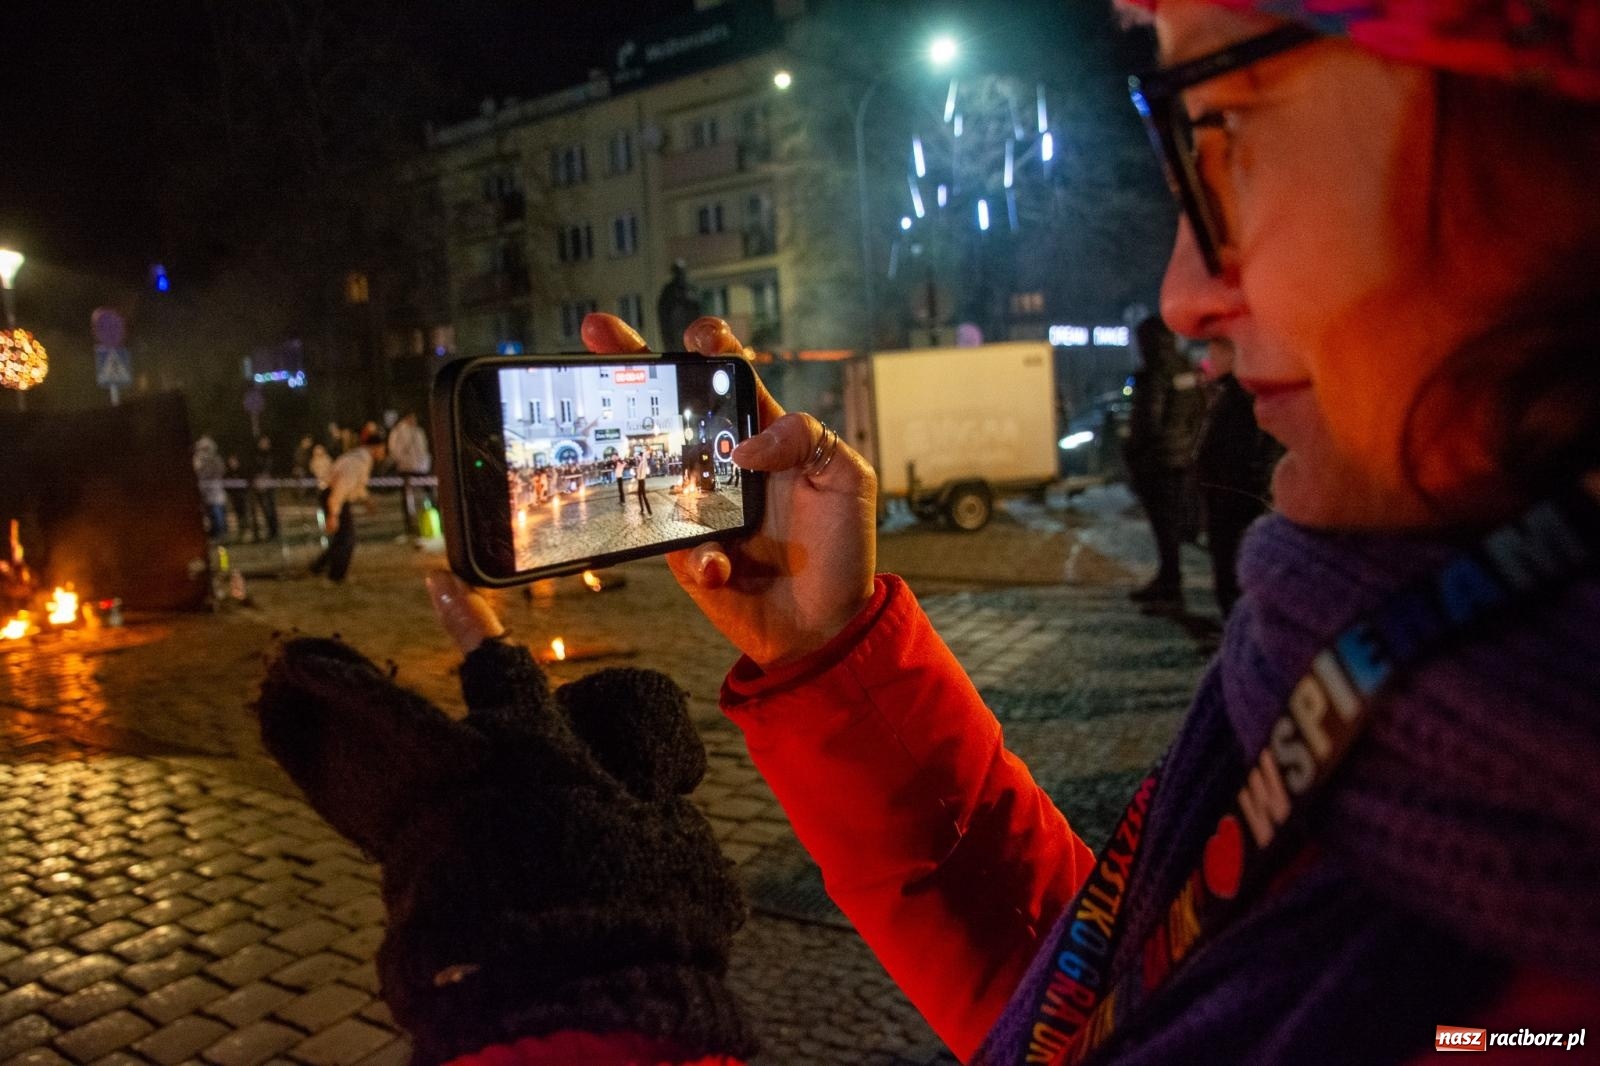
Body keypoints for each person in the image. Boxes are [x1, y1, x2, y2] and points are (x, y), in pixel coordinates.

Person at [256, 2, 1600, 1064]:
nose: (1186, 290)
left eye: (1225, 126)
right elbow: (1099, 995)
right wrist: (835, 660)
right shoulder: (1371, 682)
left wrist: (577, 1002)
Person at [1123, 315, 1205, 611]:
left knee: (1164, 527)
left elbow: (1149, 420)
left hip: (1157, 461)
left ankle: (1170, 587)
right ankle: (1168, 580)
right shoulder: (1186, 369)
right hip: (1180, 458)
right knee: (1171, 526)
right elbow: (1198, 411)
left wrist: (1134, 450)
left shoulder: (1155, 373)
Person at [1192, 341, 1277, 616]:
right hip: (1226, 493)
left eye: (1214, 352)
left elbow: (1260, 445)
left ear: (1232, 354)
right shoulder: (1228, 390)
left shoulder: (1244, 393)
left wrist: (1255, 485)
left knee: (1233, 566)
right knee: (1227, 564)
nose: (1209, 359)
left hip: (1234, 495)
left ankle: (1240, 623)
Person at [309, 426, 385, 584]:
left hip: (332, 494)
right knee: (347, 538)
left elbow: (356, 486)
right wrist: (333, 515)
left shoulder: (360, 459)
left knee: (341, 537)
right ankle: (336, 576)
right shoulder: (358, 462)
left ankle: (317, 567)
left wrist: (366, 500)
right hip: (333, 495)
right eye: (382, 448)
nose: (383, 452)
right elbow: (341, 489)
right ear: (375, 447)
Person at [387, 412, 432, 543]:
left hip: (417, 467)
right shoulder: (399, 431)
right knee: (411, 496)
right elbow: (394, 449)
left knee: (423, 494)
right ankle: (412, 524)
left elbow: (423, 447)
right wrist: (404, 460)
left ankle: (426, 520)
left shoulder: (417, 431)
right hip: (410, 467)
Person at [656, 259, 702, 352]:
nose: (680, 275)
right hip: (674, 325)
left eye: (681, 272)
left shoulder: (691, 287)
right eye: (677, 272)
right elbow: (663, 309)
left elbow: (698, 306)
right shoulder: (668, 289)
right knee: (677, 347)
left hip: (689, 324)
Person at [192, 436, 228, 542]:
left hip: (215, 490)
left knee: (217, 512)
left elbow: (220, 471)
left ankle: (220, 533)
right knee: (209, 514)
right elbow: (196, 471)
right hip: (204, 491)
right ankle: (213, 533)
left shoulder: (215, 459)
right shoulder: (198, 459)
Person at [250, 435, 280, 542]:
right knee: (263, 511)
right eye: (263, 442)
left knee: (271, 510)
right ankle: (265, 532)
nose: (265, 444)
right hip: (259, 487)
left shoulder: (272, 456)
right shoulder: (255, 456)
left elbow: (275, 469)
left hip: (269, 487)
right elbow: (252, 469)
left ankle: (274, 531)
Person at [634, 450, 653, 517]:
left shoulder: (644, 462)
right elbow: (639, 472)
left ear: (641, 456)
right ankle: (642, 509)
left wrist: (646, 451)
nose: (638, 457)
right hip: (640, 481)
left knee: (644, 497)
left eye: (639, 456)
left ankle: (650, 513)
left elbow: (645, 454)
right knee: (639, 495)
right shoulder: (641, 463)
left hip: (642, 481)